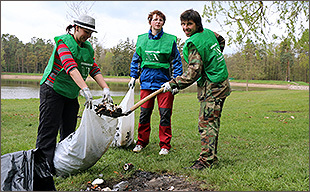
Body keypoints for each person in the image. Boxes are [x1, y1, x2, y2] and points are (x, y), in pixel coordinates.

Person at [36, 15, 113, 174]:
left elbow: (93, 68)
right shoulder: (63, 43)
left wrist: (105, 88)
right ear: (76, 27)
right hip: (53, 90)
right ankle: (42, 168)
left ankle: (62, 164)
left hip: (70, 94)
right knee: (49, 130)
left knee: (69, 131)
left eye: (91, 33)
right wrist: (85, 89)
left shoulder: (88, 48)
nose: (88, 36)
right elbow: (70, 66)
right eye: (86, 31)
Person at [162, 9, 231, 169]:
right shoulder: (208, 33)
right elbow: (221, 41)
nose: (186, 28)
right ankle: (211, 158)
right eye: (183, 24)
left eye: (189, 24)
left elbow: (194, 72)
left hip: (213, 87)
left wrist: (173, 84)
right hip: (223, 82)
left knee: (206, 123)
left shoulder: (193, 43)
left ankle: (206, 161)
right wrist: (212, 59)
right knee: (213, 122)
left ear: (197, 24)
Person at [128, 10, 183, 155]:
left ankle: (165, 145)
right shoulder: (141, 40)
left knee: (165, 114)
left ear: (163, 23)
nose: (158, 22)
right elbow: (136, 60)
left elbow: (176, 62)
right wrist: (133, 76)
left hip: (164, 85)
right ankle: (141, 142)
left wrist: (175, 82)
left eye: (160, 20)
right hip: (146, 83)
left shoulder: (170, 40)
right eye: (155, 19)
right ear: (150, 22)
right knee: (144, 114)